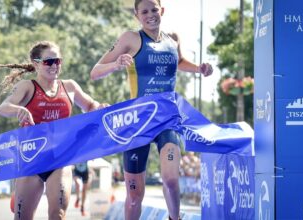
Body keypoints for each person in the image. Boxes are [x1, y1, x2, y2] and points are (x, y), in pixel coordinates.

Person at [90, 0, 213, 219]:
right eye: (144, 12)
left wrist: (199, 69)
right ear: (137, 15)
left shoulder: (172, 38)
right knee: (135, 195)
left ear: (162, 11)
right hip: (138, 122)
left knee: (172, 180)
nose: (150, 15)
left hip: (167, 120)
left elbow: (180, 61)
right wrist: (116, 64)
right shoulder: (131, 38)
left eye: (154, 10)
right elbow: (95, 71)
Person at [0, 41, 107, 220]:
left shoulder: (69, 87)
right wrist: (18, 109)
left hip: (60, 158)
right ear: (36, 64)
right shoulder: (28, 87)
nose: (54, 65)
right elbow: (3, 108)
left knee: (58, 215)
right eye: (49, 62)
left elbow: (90, 105)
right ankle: (18, 194)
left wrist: (99, 107)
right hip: (31, 160)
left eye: (58, 61)